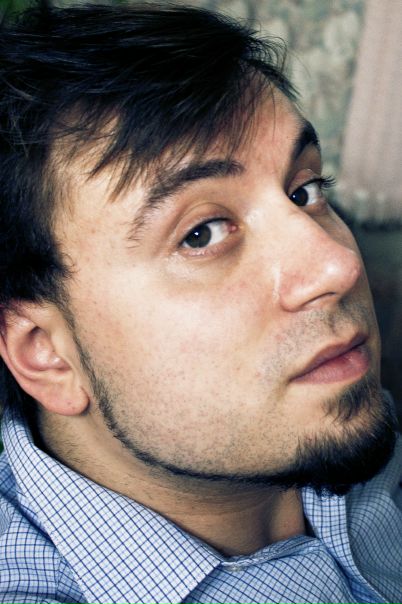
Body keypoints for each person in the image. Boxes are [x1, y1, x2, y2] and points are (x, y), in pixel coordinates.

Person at [0, 3, 401, 603]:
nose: (338, 266)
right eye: (201, 234)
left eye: (304, 191)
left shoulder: (332, 409)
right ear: (47, 355)